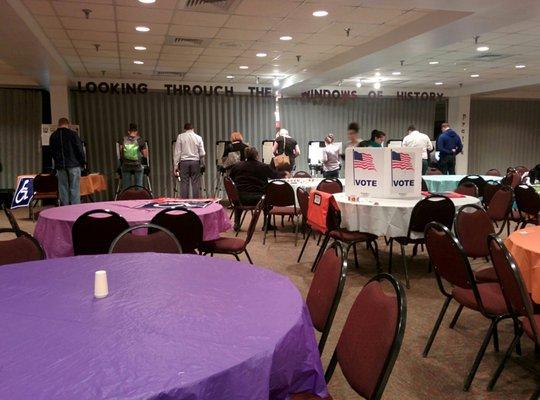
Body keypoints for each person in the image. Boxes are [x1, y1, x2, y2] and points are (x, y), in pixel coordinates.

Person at [229, 146, 286, 231]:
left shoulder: (237, 166)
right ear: (257, 155)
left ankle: (237, 223)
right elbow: (275, 176)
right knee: (269, 198)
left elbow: (230, 180)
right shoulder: (263, 166)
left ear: (245, 156)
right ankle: (266, 225)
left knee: (238, 200)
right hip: (259, 199)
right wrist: (284, 173)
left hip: (239, 198)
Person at [49, 117, 85, 206]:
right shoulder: (73, 134)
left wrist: (57, 163)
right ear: (68, 124)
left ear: (59, 124)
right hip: (74, 164)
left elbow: (52, 152)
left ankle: (64, 208)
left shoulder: (53, 136)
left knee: (63, 188)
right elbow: (79, 149)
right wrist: (82, 162)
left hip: (60, 166)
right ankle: (75, 208)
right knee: (75, 188)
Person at [174, 123, 206, 198]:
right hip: (195, 162)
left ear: (185, 129)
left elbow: (177, 152)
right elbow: (202, 153)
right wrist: (198, 157)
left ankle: (185, 202)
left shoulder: (180, 137)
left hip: (184, 162)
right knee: (195, 183)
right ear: (193, 129)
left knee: (184, 183)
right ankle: (196, 202)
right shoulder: (198, 137)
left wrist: (175, 166)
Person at [120, 123, 147, 190]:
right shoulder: (140, 140)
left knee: (126, 187)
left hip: (126, 166)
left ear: (128, 131)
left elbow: (120, 153)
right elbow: (145, 155)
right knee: (139, 185)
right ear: (136, 131)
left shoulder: (123, 140)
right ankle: (138, 194)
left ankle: (127, 195)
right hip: (137, 166)